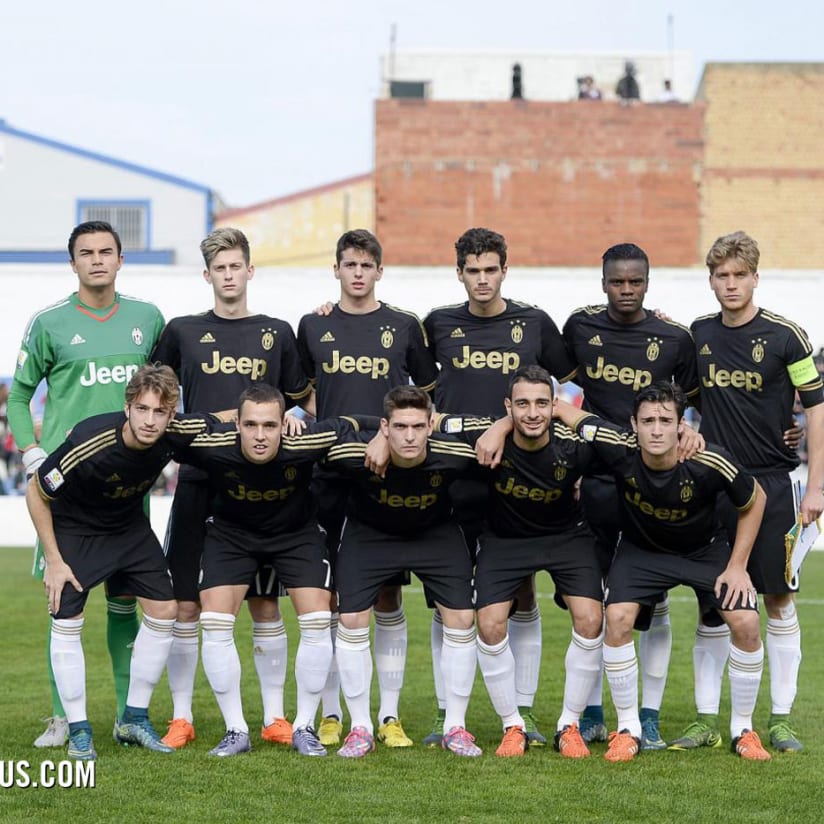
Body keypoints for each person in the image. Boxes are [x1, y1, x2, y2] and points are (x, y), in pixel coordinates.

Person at [150, 226, 313, 750]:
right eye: (218, 267)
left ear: (249, 271)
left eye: (235, 265)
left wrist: (291, 415)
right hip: (200, 481)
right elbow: (157, 401)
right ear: (207, 275)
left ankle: (274, 718)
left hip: (265, 489)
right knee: (186, 606)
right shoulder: (182, 331)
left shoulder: (277, 331)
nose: (228, 275)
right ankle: (181, 717)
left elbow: (302, 400)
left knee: (266, 607)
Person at [7, 220, 165, 748]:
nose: (96, 260)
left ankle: (128, 717)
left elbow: (166, 392)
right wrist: (32, 454)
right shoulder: (49, 323)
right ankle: (61, 718)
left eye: (106, 252)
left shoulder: (148, 319)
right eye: (85, 253)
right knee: (64, 597)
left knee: (127, 605)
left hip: (128, 489)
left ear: (121, 260)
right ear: (72, 262)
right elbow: (18, 395)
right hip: (66, 492)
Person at [554, 382, 770, 762]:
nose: (656, 429)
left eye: (665, 421)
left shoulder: (707, 459)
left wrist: (737, 567)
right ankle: (628, 729)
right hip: (642, 551)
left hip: (704, 551)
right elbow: (574, 415)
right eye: (648, 420)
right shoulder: (619, 446)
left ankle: (743, 729)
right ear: (633, 425)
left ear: (681, 425)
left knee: (747, 623)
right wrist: (506, 424)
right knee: (617, 619)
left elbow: (756, 499)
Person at [420, 227, 577, 746]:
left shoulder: (533, 323)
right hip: (457, 476)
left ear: (505, 270)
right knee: (450, 597)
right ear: (459, 272)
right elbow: (420, 400)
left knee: (523, 592)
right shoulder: (438, 324)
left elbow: (572, 390)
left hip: (523, 477)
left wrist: (507, 424)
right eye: (473, 270)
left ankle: (524, 711)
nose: (482, 279)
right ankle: (449, 713)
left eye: (491, 269)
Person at [25, 365, 215, 760]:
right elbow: (36, 491)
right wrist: (55, 561)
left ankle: (133, 717)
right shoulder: (88, 440)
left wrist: (283, 415)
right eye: (142, 409)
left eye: (160, 412)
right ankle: (78, 730)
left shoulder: (173, 434)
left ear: (171, 415)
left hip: (128, 527)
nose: (150, 420)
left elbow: (223, 420)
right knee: (66, 620)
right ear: (127, 407)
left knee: (166, 609)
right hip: (76, 531)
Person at [681, 231, 824, 753]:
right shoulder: (698, 334)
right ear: (711, 280)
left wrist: (817, 487)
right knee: (711, 603)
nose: (731, 284)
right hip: (715, 485)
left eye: (740, 275)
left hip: (776, 483)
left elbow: (815, 409)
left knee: (780, 601)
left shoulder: (788, 336)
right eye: (722, 275)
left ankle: (781, 718)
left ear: (755, 277)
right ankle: (704, 719)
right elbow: (684, 401)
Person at [297, 228, 438, 748]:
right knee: (334, 597)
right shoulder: (312, 324)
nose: (358, 273)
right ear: (336, 270)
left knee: (386, 594)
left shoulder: (403, 326)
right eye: (349, 265)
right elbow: (301, 393)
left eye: (366, 265)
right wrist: (332, 429)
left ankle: (389, 715)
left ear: (380, 271)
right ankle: (333, 713)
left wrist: (387, 436)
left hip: (386, 477)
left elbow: (424, 399)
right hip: (330, 476)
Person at [172, 384, 360, 757]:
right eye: (252, 425)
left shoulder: (306, 441)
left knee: (319, 618)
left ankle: (304, 726)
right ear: (237, 425)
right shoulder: (213, 445)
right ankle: (235, 729)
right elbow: (165, 430)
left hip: (295, 534)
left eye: (271, 425)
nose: (260, 436)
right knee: (214, 622)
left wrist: (385, 436)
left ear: (285, 424)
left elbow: (350, 423)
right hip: (231, 535)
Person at [562, 242, 699, 748]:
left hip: (652, 485)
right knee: (596, 602)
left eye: (635, 282)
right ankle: (594, 712)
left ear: (648, 282)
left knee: (655, 600)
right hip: (596, 482)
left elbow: (692, 407)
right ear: (603, 283)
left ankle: (650, 714)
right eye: (617, 282)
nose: (626, 290)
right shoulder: (579, 327)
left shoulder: (673, 338)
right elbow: (548, 388)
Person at [441, 366, 604, 758]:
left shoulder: (574, 445)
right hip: (505, 539)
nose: (532, 413)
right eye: (522, 404)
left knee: (591, 618)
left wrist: (569, 413)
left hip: (566, 537)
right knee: (491, 624)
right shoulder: (485, 434)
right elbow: (434, 421)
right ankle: (512, 724)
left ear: (555, 406)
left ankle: (569, 724)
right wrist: (497, 428)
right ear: (507, 407)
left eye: (542, 403)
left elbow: (619, 436)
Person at [325, 386, 481, 758]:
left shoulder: (455, 453)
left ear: (431, 425)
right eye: (399, 427)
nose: (409, 436)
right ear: (384, 427)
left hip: (434, 533)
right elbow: (324, 434)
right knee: (350, 618)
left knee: (461, 617)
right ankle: (361, 727)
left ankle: (455, 727)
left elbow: (492, 434)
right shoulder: (353, 454)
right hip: (371, 535)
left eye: (417, 426)